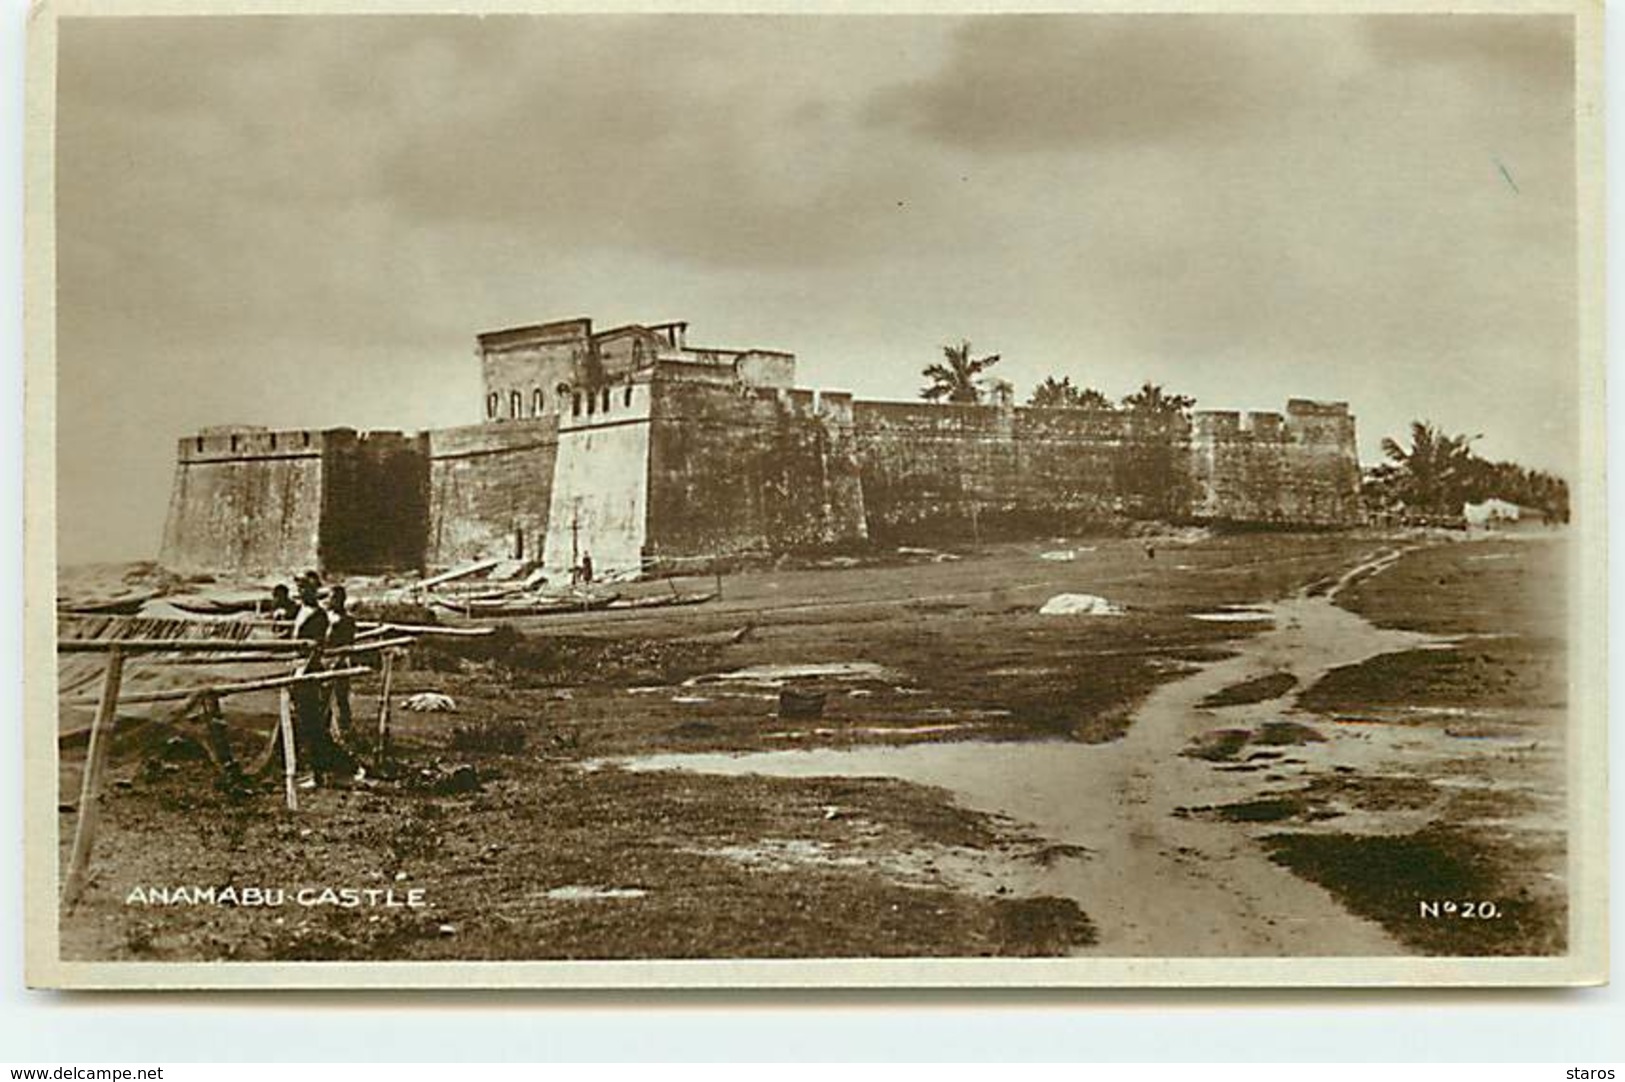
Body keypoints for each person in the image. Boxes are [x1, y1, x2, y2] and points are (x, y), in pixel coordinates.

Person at [289, 572, 342, 786]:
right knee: (303, 722)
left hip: (309, 671)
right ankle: (314, 769)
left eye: (307, 589)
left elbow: (316, 648)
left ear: (315, 591)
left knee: (312, 722)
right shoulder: (301, 611)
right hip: (298, 667)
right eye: (300, 588)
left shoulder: (319, 616)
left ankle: (319, 772)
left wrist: (303, 672)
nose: (303, 592)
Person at [324, 585, 357, 742]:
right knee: (324, 695)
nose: (329, 601)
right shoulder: (326, 617)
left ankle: (345, 727)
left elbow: (348, 642)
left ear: (339, 600)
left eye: (331, 598)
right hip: (326, 658)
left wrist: (339, 660)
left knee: (341, 696)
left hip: (340, 660)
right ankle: (326, 727)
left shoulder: (348, 620)